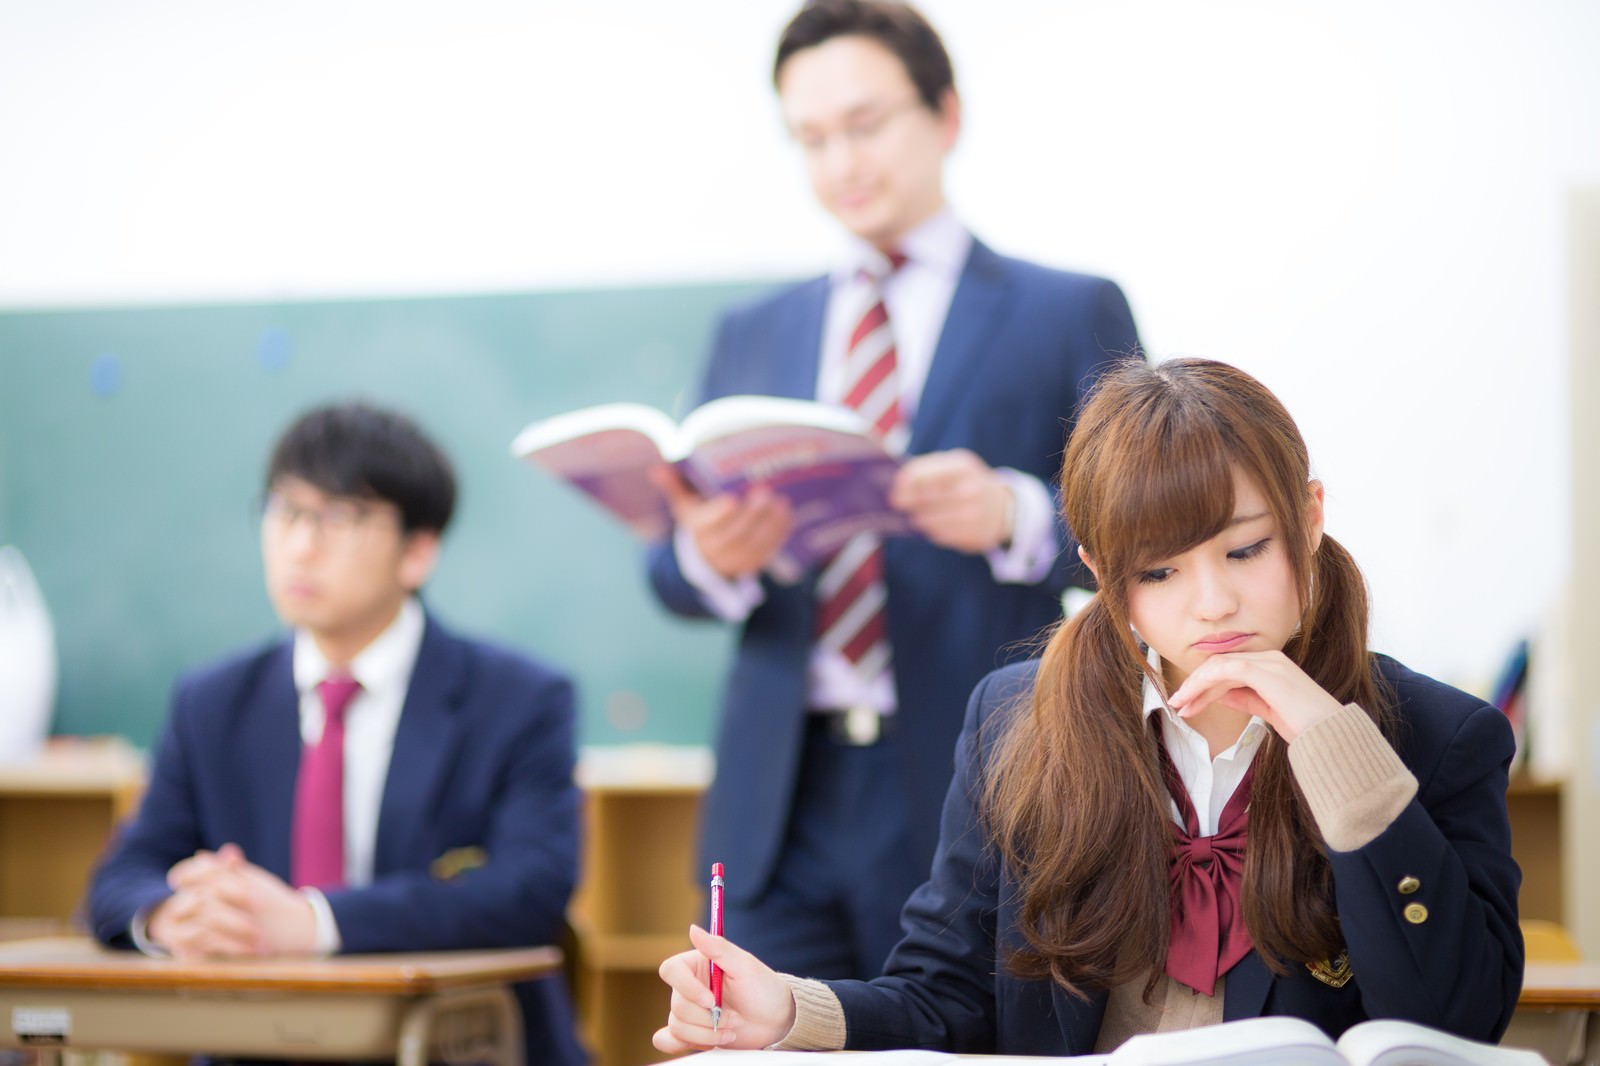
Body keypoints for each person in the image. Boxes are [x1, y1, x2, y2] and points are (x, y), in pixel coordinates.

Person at [653, 358, 1524, 1054]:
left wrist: (1338, 752)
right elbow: (947, 998)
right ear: (1103, 576)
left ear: (1311, 516)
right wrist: (788, 1012)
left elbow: (1455, 1024)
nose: (1213, 602)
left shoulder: (1439, 735)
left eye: (1247, 549)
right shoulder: (1020, 724)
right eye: (1159, 572)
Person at [647, 0, 1141, 981]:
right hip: (777, 798)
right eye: (811, 138)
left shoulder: (1064, 308)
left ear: (945, 114)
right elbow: (668, 567)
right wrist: (714, 553)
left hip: (981, 770)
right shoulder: (752, 331)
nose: (840, 162)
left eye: (865, 124)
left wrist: (1014, 512)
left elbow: (1144, 526)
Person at [87, 402, 586, 1066]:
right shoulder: (212, 701)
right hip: (258, 1050)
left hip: (453, 1046)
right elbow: (122, 876)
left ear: (418, 550)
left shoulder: (519, 700)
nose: (301, 545)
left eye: (340, 519)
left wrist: (313, 922)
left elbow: (529, 890)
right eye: (285, 512)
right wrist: (171, 916)